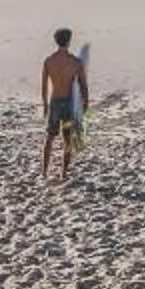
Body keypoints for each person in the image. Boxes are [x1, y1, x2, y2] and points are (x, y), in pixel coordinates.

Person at [39, 27, 89, 183]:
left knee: (49, 138)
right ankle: (63, 173)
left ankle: (44, 172)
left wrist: (45, 104)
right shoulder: (75, 62)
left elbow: (44, 86)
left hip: (54, 102)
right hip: (67, 104)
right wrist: (85, 104)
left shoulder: (48, 61)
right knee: (67, 139)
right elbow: (83, 86)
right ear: (68, 41)